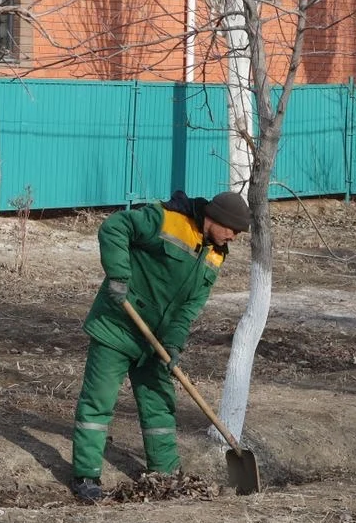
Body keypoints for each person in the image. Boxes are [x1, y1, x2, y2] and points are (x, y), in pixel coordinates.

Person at [69, 190, 250, 502]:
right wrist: (119, 276)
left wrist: (173, 343)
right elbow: (114, 228)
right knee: (98, 402)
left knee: (160, 407)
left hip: (156, 342)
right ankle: (86, 477)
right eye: (232, 230)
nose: (233, 237)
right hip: (118, 324)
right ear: (215, 219)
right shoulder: (167, 219)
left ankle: (165, 475)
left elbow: (190, 308)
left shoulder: (215, 255)